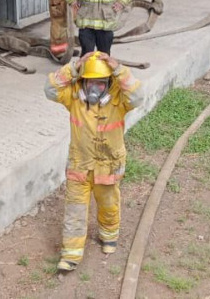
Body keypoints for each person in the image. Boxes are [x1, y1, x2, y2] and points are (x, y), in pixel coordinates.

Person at [44, 51, 144, 272]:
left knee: (109, 204)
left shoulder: (119, 100)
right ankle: (71, 254)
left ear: (109, 83)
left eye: (101, 83)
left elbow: (138, 96)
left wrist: (119, 69)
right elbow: (50, 90)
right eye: (90, 82)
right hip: (80, 165)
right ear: (83, 81)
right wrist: (72, 67)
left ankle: (109, 235)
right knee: (74, 209)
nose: (95, 88)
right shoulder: (74, 98)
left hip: (107, 166)